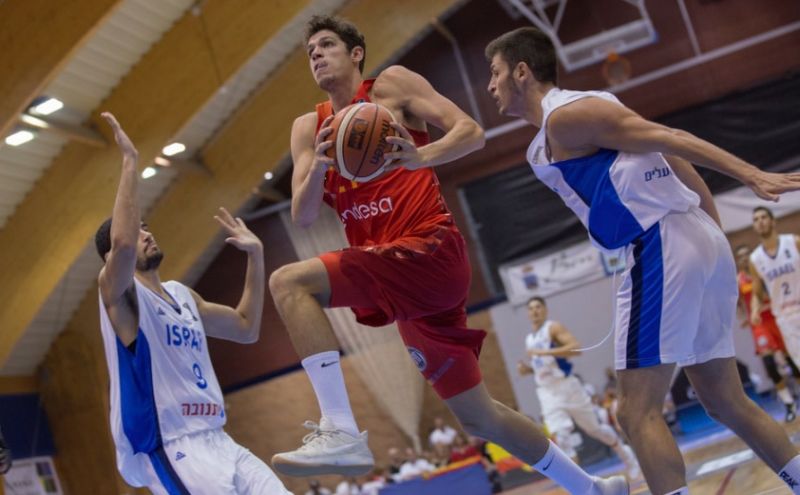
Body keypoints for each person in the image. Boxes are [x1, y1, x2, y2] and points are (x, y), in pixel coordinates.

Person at [269, 14, 626, 495]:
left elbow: (470, 131)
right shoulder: (307, 128)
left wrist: (421, 155)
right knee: (480, 418)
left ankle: (341, 429)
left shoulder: (391, 87)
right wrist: (319, 167)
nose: (316, 54)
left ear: (356, 53)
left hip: (428, 248)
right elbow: (304, 214)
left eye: (327, 44)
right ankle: (591, 488)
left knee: (288, 283)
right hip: (402, 283)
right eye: (310, 50)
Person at [485, 26, 800, 495]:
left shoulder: (567, 117)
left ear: (522, 72)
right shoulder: (553, 136)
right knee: (724, 401)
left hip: (659, 243)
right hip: (692, 237)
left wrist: (750, 174)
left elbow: (670, 137)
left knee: (635, 411)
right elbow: (670, 158)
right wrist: (712, 246)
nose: (490, 85)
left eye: (495, 72)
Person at [95, 113, 290, 494]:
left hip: (218, 437)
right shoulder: (120, 296)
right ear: (110, 259)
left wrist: (256, 256)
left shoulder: (184, 296)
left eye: (147, 227)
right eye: (138, 229)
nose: (145, 234)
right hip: (172, 445)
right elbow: (122, 243)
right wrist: (130, 162)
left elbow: (246, 327)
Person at [517, 297, 640, 481]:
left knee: (595, 430)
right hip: (546, 391)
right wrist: (527, 370)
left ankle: (626, 455)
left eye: (538, 307)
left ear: (545, 310)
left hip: (568, 387)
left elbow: (576, 348)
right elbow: (544, 365)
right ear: (527, 313)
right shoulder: (529, 339)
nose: (534, 311)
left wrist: (544, 352)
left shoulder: (553, 328)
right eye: (531, 308)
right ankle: (579, 483)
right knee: (561, 436)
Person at [736, 241, 800, 421]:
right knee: (769, 364)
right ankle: (788, 403)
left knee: (793, 361)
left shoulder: (765, 272)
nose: (744, 258)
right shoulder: (739, 280)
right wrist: (744, 317)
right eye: (740, 256)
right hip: (760, 324)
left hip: (777, 317)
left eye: (747, 254)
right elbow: (738, 302)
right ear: (738, 261)